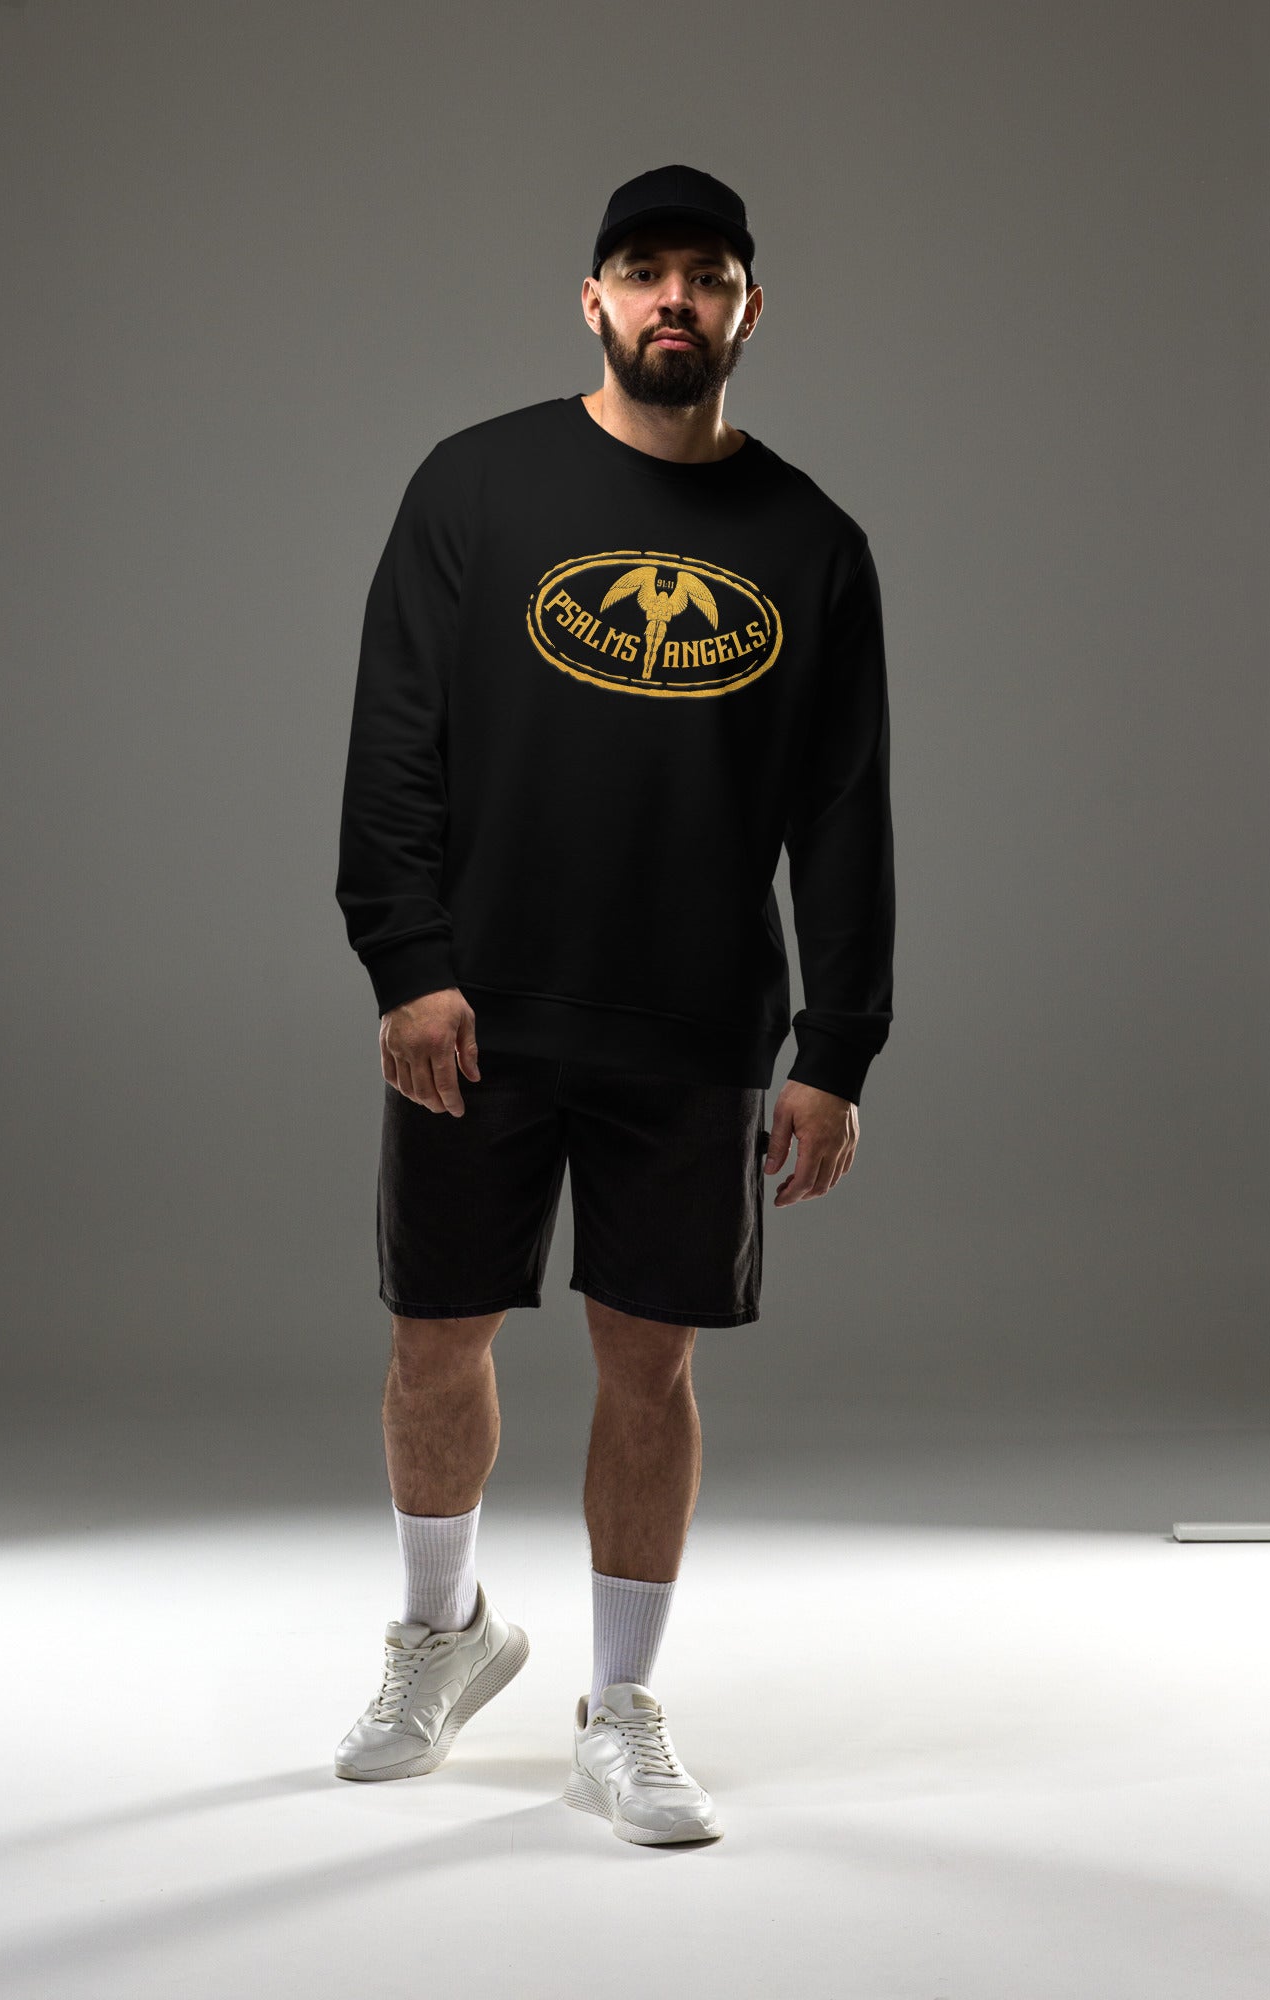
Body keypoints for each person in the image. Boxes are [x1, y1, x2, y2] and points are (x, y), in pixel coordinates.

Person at [330, 164, 895, 1846]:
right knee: (436, 1338)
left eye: (705, 276)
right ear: (592, 299)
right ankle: (441, 1633)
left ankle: (622, 1704)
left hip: (696, 1025)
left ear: (747, 309)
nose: (673, 300)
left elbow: (845, 814)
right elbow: (395, 738)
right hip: (480, 1009)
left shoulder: (813, 544)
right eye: (644, 272)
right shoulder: (475, 484)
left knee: (649, 1365)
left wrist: (838, 1047)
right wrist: (408, 963)